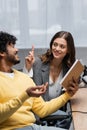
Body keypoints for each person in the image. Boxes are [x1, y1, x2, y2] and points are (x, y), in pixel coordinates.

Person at [0, 31, 78, 130]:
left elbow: (42, 109)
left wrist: (68, 94)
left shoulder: (23, 78)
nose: (17, 49)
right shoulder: (35, 67)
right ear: (2, 52)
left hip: (32, 126)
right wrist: (25, 95)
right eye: (12, 46)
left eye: (62, 46)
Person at [23, 31, 77, 128]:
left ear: (68, 50)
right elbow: (24, 87)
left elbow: (78, 80)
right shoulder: (38, 63)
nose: (56, 49)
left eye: (62, 46)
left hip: (57, 115)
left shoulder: (68, 69)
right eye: (55, 44)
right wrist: (28, 68)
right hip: (38, 115)